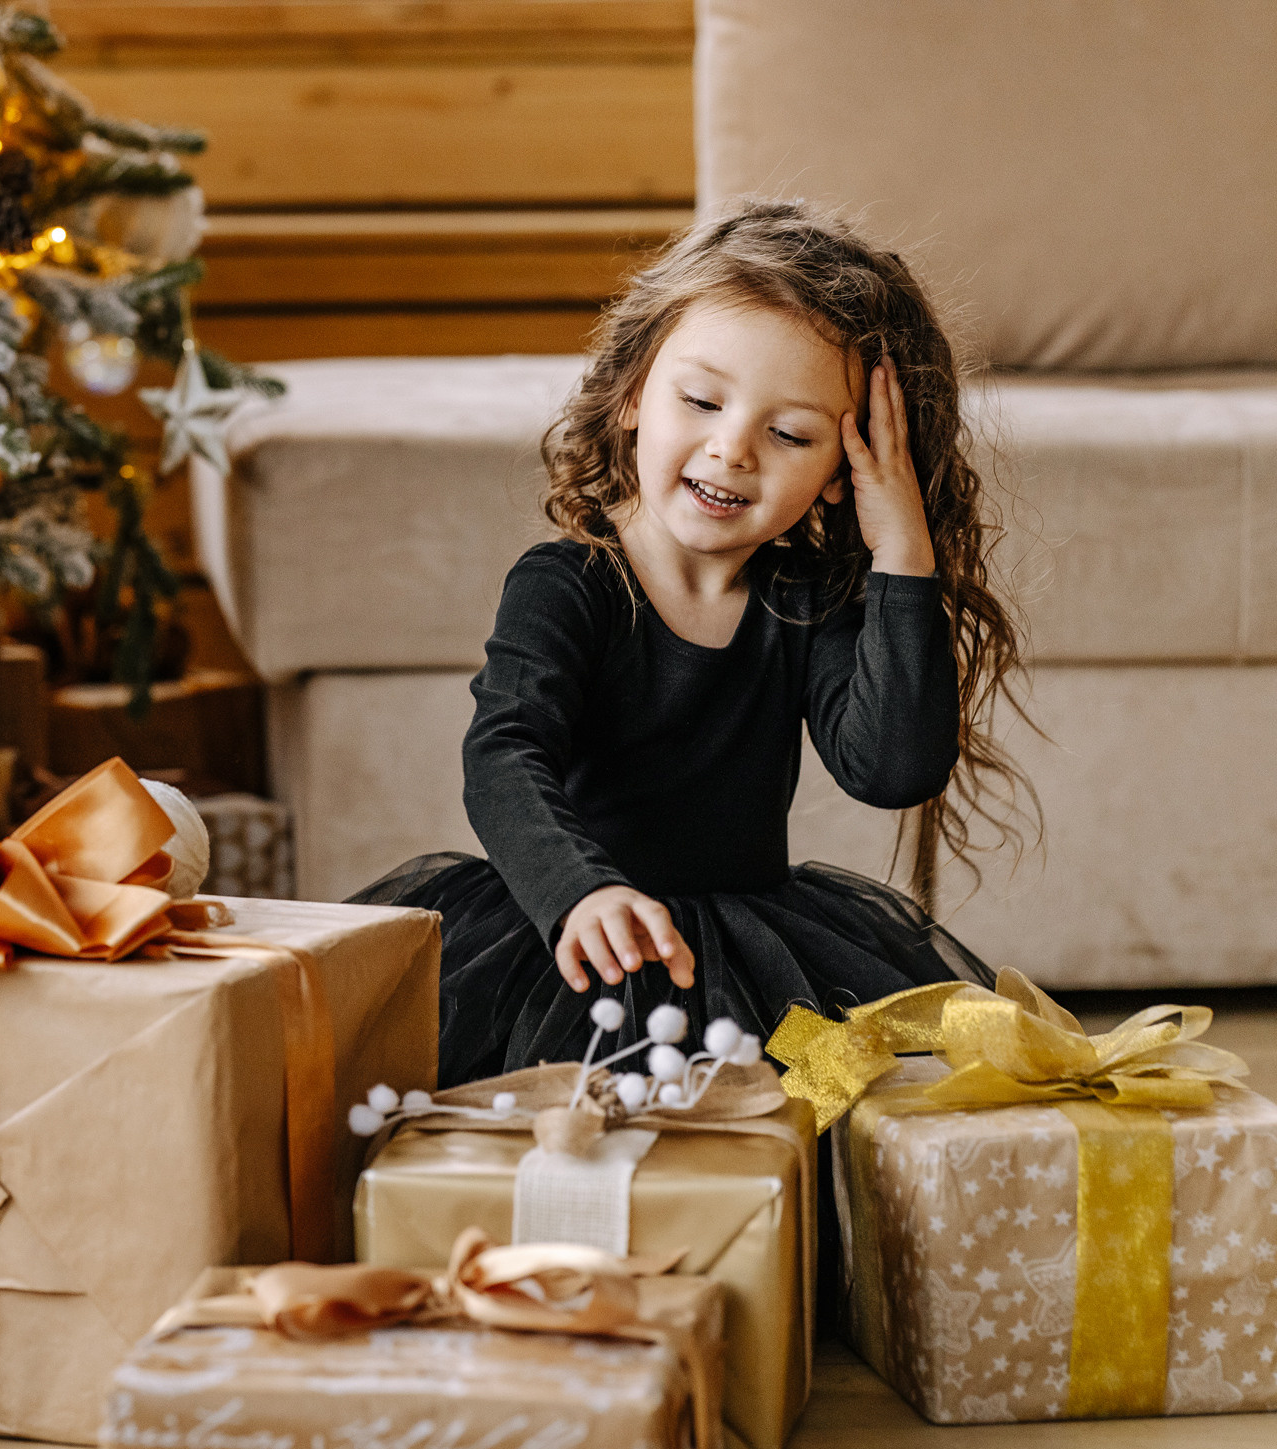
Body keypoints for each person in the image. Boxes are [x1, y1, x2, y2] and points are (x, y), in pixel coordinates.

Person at [353, 201, 1032, 1089]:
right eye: (703, 400)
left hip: (759, 965)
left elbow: (894, 769)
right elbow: (504, 755)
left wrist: (901, 550)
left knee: (816, 1121)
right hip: (574, 942)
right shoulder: (568, 583)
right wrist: (579, 893)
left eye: (789, 434)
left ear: (840, 474)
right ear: (635, 394)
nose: (732, 448)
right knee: (580, 1136)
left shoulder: (805, 601)